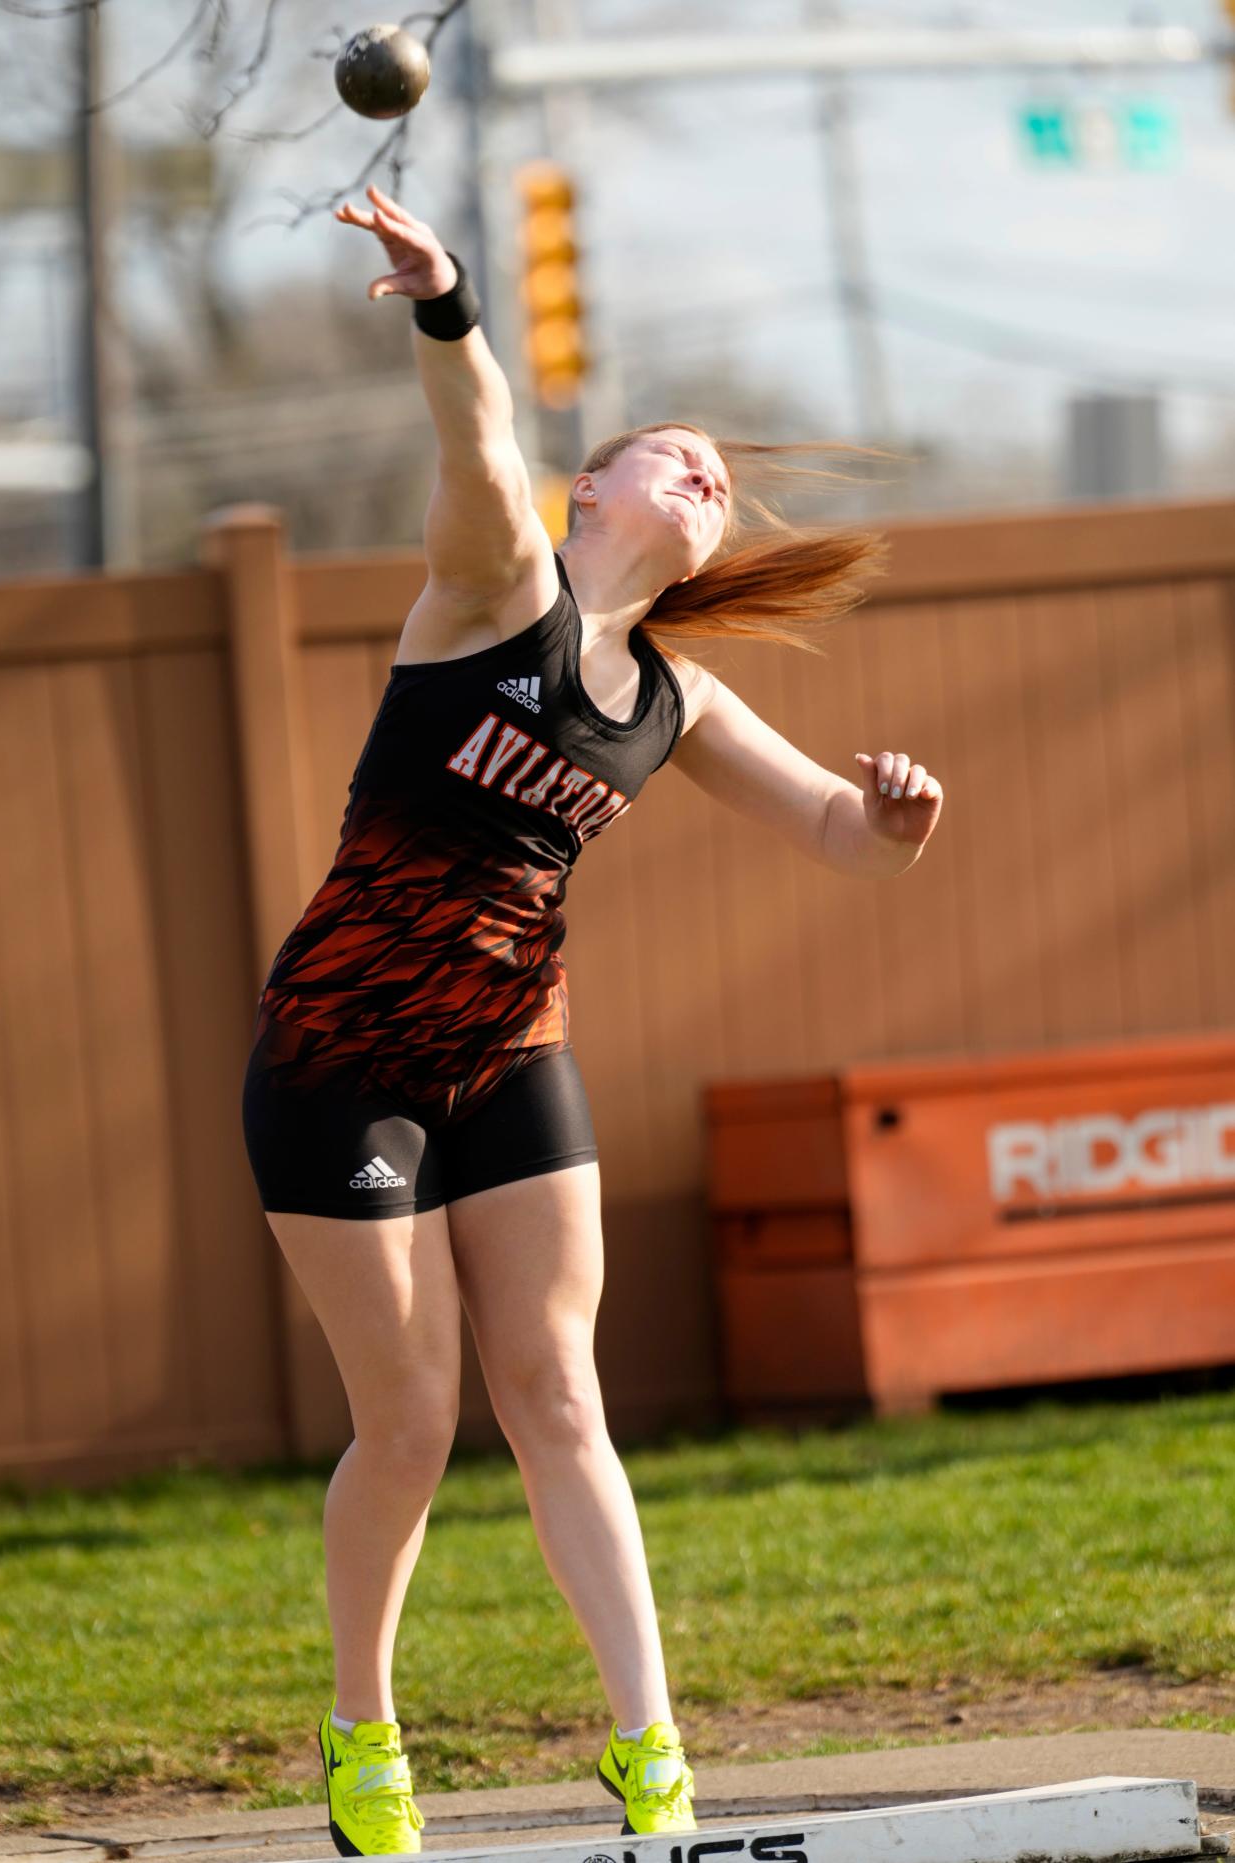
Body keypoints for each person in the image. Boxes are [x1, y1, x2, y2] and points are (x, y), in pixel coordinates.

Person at [240, 183, 944, 1858]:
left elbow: (838, 838)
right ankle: (362, 1733)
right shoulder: (497, 592)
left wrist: (895, 824)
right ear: (594, 489)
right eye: (668, 450)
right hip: (341, 1057)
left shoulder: (680, 692)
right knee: (408, 1421)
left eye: (717, 468)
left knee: (556, 1390)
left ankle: (650, 1749)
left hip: (509, 1053)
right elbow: (477, 437)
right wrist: (450, 302)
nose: (704, 470)